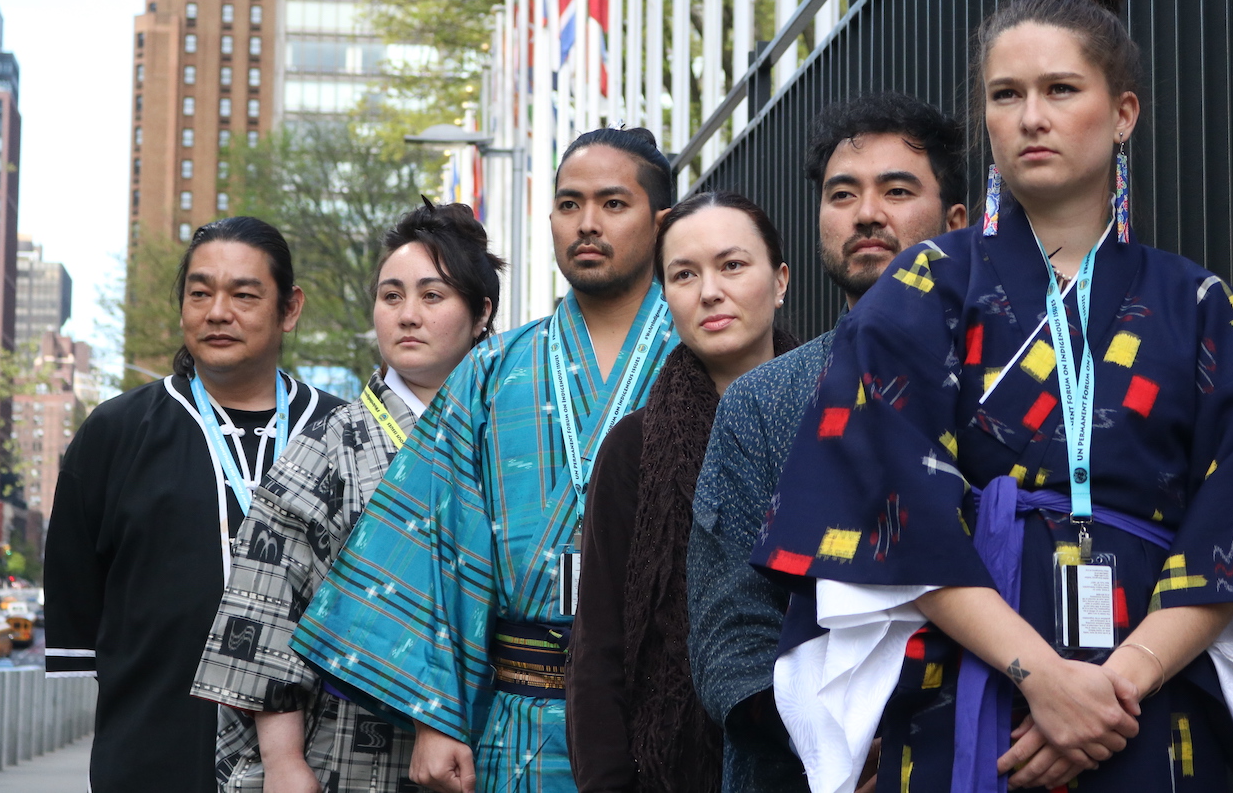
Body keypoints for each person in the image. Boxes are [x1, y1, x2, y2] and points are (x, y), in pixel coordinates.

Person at [751, 0, 1233, 793]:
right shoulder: (923, 291)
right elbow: (886, 503)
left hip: (1154, 708)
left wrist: (1113, 688)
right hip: (962, 691)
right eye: (1005, 94)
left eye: (1061, 88)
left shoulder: (1206, 310)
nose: (1031, 116)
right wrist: (1041, 675)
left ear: (1123, 113)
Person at [290, 127, 680, 793]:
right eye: (568, 204)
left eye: (613, 203)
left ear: (661, 220)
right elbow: (433, 537)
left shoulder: (701, 361)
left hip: (670, 709)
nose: (586, 223)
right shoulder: (492, 371)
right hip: (519, 717)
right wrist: (435, 716)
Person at [687, 93, 969, 793]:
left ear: (957, 221)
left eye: (897, 190)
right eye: (843, 194)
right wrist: (834, 744)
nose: (867, 212)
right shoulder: (761, 402)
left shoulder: (1011, 385)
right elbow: (732, 627)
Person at [191, 201, 505, 792]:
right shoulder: (327, 446)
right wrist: (284, 764)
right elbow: (267, 609)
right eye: (391, 296)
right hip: (354, 750)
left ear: (481, 311)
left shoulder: (513, 436)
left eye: (432, 297)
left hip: (497, 735)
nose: (407, 315)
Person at [44, 217, 343, 793]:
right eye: (200, 293)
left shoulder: (342, 435)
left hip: (317, 762)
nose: (217, 312)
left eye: (244, 295)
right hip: (152, 753)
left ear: (290, 308)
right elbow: (79, 605)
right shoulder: (115, 433)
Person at [567, 192, 796, 793]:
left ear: (780, 281)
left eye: (733, 265)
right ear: (666, 300)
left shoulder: (836, 419)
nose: (710, 291)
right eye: (684, 274)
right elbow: (598, 651)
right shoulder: (634, 447)